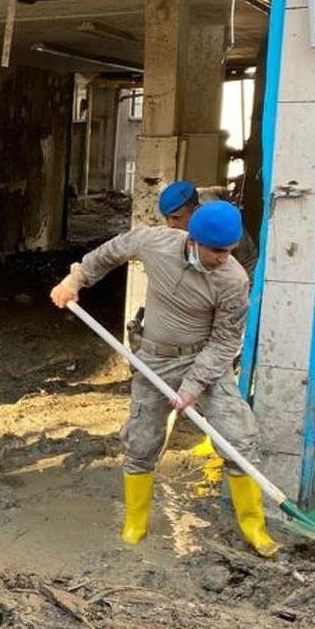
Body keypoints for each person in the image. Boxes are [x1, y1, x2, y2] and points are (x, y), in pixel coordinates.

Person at [48, 201, 280, 558]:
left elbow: (224, 342)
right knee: (141, 443)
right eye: (218, 250)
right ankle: (135, 523)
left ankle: (254, 527)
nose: (225, 258)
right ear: (195, 240)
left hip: (203, 360)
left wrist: (192, 387)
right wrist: (74, 279)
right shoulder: (154, 242)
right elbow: (110, 252)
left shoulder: (233, 279)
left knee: (239, 440)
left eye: (231, 251)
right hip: (153, 359)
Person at [158, 180, 257, 277]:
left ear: (195, 210)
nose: (171, 224)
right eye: (167, 217)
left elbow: (248, 261)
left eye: (176, 218)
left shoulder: (221, 223)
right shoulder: (185, 205)